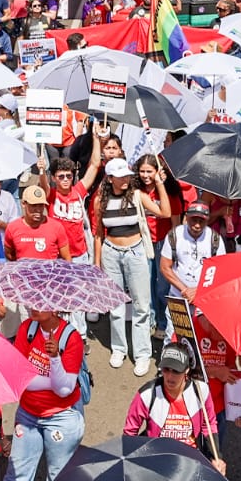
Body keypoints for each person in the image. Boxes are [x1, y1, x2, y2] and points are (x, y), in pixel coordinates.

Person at [0, 307, 85, 481]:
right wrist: (52, 381)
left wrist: (55, 359)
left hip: (62, 418)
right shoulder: (27, 329)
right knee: (16, 475)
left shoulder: (70, 338)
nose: (30, 306)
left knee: (58, 478)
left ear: (54, 307)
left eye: (38, 302)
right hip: (28, 415)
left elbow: (64, 389)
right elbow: (20, 377)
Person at [93, 157, 166, 374]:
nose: (125, 178)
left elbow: (165, 212)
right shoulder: (101, 201)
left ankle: (142, 353)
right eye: (120, 175)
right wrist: (97, 263)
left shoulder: (137, 195)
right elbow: (98, 232)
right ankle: (119, 348)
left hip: (136, 252)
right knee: (115, 305)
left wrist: (160, 184)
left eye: (127, 174)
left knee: (141, 306)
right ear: (110, 178)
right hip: (111, 253)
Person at [123, 340, 223, 469]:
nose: (170, 377)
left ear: (187, 370)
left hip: (191, 463)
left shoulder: (201, 390)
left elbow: (209, 425)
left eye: (176, 371)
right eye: (166, 369)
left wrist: (216, 458)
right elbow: (130, 432)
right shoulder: (146, 394)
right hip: (157, 463)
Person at [3, 184, 70, 261]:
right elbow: (9, 254)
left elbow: (67, 258)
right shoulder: (12, 228)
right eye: (34, 205)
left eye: (41, 205)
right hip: (23, 272)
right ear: (23, 204)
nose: (38, 210)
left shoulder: (56, 227)